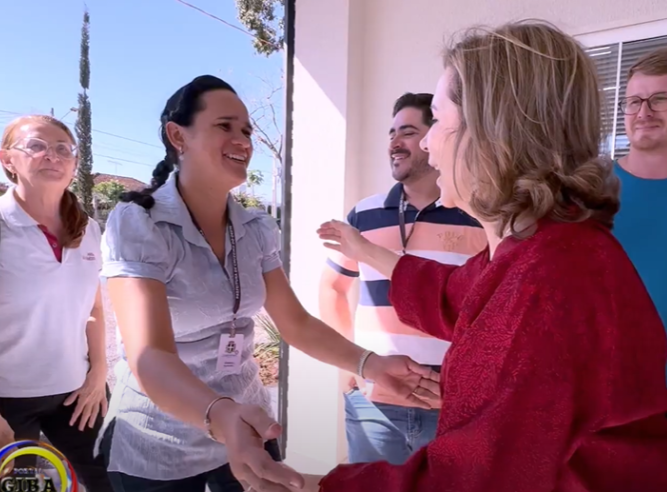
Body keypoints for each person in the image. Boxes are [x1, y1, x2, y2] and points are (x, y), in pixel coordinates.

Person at [311, 21, 667, 492]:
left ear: (493, 133)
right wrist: (365, 253)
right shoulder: (536, 251)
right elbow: (456, 295)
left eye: (438, 120)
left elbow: (476, 481)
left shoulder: (552, 280)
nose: (425, 143)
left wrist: (307, 485)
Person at [97, 75, 436, 492]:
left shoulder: (256, 226)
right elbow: (149, 356)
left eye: (246, 130)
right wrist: (219, 414)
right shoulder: (138, 223)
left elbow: (295, 324)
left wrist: (373, 365)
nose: (242, 140)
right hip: (161, 438)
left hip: (249, 424)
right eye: (225, 126)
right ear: (177, 135)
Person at [0, 115, 112, 492]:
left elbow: (91, 310)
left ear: (75, 163)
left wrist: (98, 375)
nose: (53, 156)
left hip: (78, 395)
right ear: (7, 160)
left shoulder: (89, 228)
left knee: (117, 483)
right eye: (36, 146)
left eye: (64, 149)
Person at [319, 92, 486, 464]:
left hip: (452, 407)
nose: (394, 143)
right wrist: (351, 364)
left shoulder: (477, 217)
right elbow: (332, 287)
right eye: (391, 133)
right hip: (374, 405)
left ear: (434, 138)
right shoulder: (364, 214)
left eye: (407, 132)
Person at [612, 47, 667, 411]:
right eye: (633, 102)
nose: (643, 112)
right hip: (611, 390)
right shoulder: (585, 192)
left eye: (660, 99)